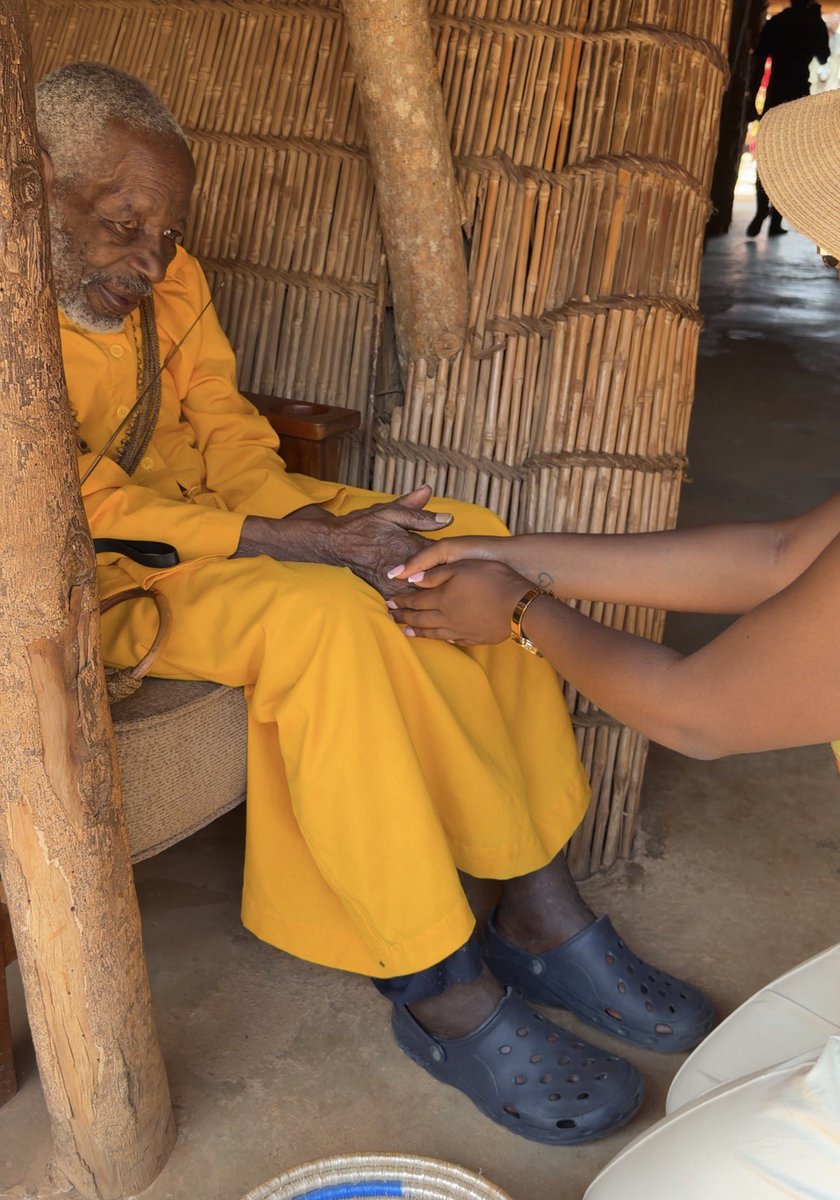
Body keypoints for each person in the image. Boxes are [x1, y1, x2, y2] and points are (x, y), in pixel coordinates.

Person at [35, 61, 714, 1148]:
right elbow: (60, 497)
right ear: (34, 187)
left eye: (165, 232)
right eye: (122, 224)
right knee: (335, 621)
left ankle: (541, 905)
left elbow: (230, 430)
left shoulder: (174, 282)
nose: (150, 258)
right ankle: (438, 987)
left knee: (451, 548)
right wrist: (295, 546)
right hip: (93, 584)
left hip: (234, 521)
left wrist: (326, 531)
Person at [746, 0, 829, 239]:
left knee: (767, 156)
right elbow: (823, 56)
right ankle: (775, 219)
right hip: (798, 96)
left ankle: (762, 210)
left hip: (776, 93)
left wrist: (753, 98)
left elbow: (760, 61)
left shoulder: (777, 23)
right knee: (790, 158)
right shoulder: (812, 22)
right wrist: (815, 20)